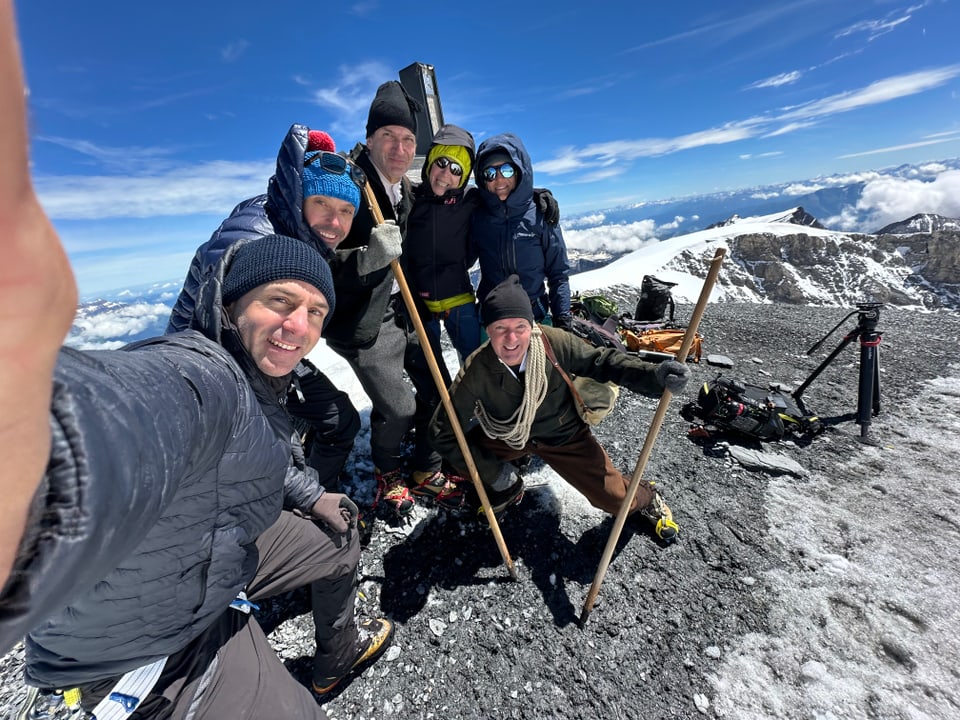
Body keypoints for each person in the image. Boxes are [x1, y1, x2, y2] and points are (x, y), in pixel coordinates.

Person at [167, 125, 369, 494]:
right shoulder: (255, 239)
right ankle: (302, 504)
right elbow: (219, 329)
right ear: (300, 196)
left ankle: (313, 491)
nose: (335, 222)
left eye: (345, 210)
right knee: (306, 436)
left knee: (337, 419)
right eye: (322, 203)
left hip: (254, 353)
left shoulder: (287, 225)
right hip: (215, 369)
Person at [428, 275, 690, 542]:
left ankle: (645, 495)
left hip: (562, 435)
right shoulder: (477, 369)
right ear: (487, 329)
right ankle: (508, 485)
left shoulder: (553, 342)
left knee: (616, 501)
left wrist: (654, 376)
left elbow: (602, 362)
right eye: (499, 328)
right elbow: (441, 430)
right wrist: (495, 474)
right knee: (456, 461)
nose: (511, 339)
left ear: (531, 325)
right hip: (509, 435)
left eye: (520, 326)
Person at [333, 81, 455, 519]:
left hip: (406, 311)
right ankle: (388, 470)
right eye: (389, 137)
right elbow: (317, 259)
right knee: (401, 408)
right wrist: (366, 258)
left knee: (442, 391)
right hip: (362, 320)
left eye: (407, 140)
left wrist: (525, 204)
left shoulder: (406, 191)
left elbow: (452, 205)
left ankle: (426, 468)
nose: (400, 149)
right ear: (370, 139)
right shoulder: (348, 184)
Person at [472, 133, 574, 329]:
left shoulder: (541, 214)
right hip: (492, 320)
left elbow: (558, 273)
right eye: (490, 173)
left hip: (535, 316)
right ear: (482, 179)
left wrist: (562, 318)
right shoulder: (478, 216)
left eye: (507, 170)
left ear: (520, 171)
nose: (499, 179)